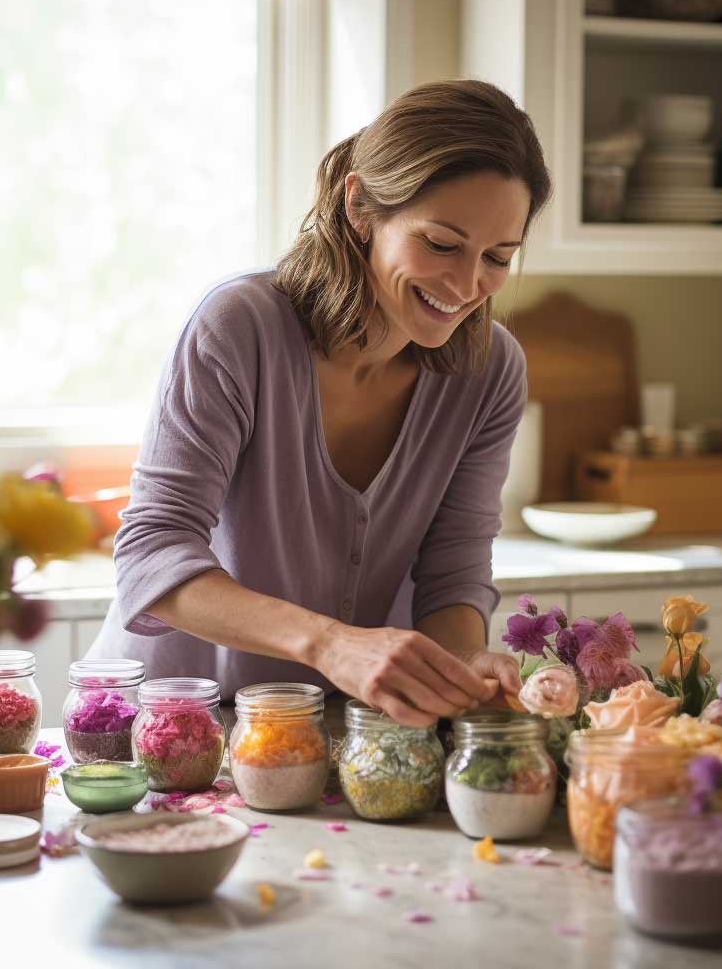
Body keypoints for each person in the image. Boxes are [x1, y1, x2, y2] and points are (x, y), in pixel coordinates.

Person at [86, 79, 552, 726]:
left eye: (498, 257)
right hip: (169, 728)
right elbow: (152, 549)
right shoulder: (241, 328)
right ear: (361, 207)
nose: (469, 284)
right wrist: (333, 644)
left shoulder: (490, 370)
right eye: (442, 244)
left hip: (331, 734)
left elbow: (453, 571)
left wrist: (463, 660)